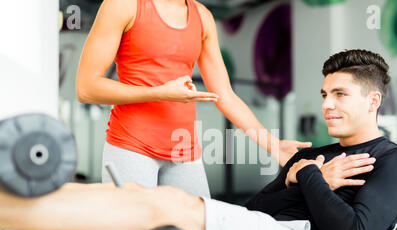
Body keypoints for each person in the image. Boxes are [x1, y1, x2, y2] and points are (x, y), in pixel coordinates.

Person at [1, 49, 397, 230]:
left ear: (373, 100)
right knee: (136, 195)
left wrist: (307, 178)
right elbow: (257, 212)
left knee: (163, 205)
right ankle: (15, 202)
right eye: (325, 94)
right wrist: (303, 176)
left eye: (340, 95)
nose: (327, 104)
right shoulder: (316, 155)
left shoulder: (394, 160)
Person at [76, 0, 310, 198]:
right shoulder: (122, 5)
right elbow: (86, 87)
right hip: (131, 146)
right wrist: (158, 93)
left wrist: (273, 145)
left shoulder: (203, 17)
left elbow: (225, 95)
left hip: (184, 151)